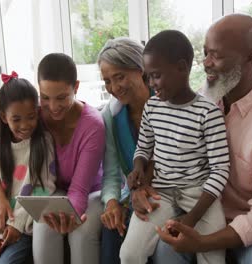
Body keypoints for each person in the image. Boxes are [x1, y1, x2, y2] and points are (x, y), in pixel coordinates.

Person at [152, 14, 252, 264]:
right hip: (198, 209)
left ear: (251, 58)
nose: (205, 63)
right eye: (205, 52)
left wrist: (202, 242)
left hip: (247, 219)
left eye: (217, 55)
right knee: (163, 251)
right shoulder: (202, 98)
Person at [119, 30, 230, 264]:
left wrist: (192, 218)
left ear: (182, 67)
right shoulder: (152, 107)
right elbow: (143, 147)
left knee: (213, 257)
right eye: (148, 77)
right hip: (162, 192)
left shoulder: (208, 113)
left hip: (199, 194)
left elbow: (220, 170)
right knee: (129, 254)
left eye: (156, 76)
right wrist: (138, 167)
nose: (151, 84)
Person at [0, 73, 56, 264]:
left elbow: (44, 189)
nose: (25, 125)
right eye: (16, 119)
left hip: (25, 226)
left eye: (31, 117)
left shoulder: (43, 142)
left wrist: (17, 225)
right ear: (3, 117)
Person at [32, 53, 106, 264]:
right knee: (43, 226)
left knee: (81, 232)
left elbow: (79, 189)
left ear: (76, 87)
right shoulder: (35, 117)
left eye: (62, 97)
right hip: (55, 188)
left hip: (92, 190)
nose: (53, 107)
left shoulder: (93, 125)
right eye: (45, 97)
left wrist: (69, 216)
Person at [97, 37, 153, 264]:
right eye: (107, 81)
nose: (114, 88)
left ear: (141, 69)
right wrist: (112, 203)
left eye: (120, 77)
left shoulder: (168, 105)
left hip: (167, 193)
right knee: (112, 226)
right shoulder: (110, 117)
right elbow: (110, 173)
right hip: (132, 195)